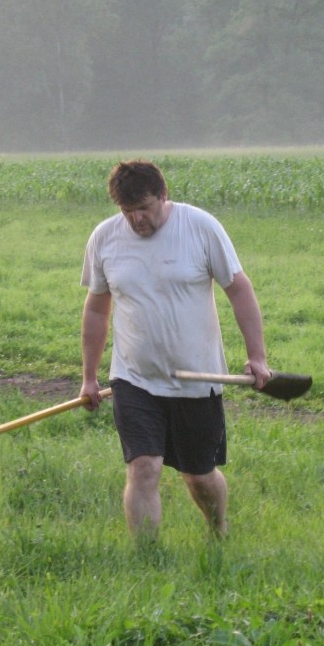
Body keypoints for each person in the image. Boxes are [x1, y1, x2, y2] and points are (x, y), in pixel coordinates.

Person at [79, 160, 272, 543]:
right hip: (134, 377)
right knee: (144, 467)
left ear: (163, 196)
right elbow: (97, 309)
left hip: (198, 379)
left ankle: (218, 529)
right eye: (127, 211)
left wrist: (258, 356)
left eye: (144, 208)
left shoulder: (200, 227)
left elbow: (239, 290)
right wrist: (88, 376)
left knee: (198, 474)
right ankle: (147, 559)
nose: (136, 220)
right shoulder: (105, 238)